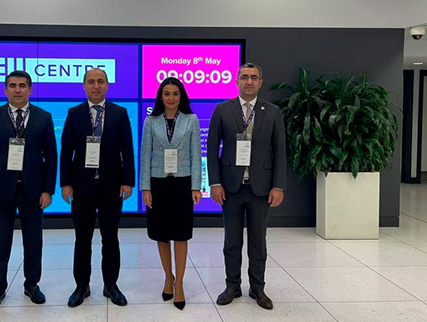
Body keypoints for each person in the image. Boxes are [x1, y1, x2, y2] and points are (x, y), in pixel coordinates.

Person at [207, 62, 286, 310]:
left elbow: (280, 152)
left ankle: (257, 287)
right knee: (231, 241)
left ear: (261, 82)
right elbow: (212, 150)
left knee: (258, 241)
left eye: (253, 77)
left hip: (261, 189)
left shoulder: (272, 112)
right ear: (236, 81)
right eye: (244, 77)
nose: (248, 81)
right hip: (230, 187)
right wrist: (215, 183)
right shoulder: (222, 109)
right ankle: (232, 285)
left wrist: (278, 186)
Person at [0, 70, 57, 309]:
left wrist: (48, 190)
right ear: (5, 90)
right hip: (1, 192)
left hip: (33, 191)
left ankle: (32, 284)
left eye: (22, 85)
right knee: (0, 241)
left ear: (30, 89)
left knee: (33, 241)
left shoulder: (43, 117)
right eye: (12, 85)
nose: (18, 90)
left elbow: (51, 156)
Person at [60, 68, 135, 307]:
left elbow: (127, 149)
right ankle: (82, 286)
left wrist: (128, 180)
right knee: (82, 239)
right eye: (91, 82)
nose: (96, 86)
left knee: (110, 238)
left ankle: (110, 285)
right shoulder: (74, 113)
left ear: (107, 85)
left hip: (111, 186)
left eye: (100, 81)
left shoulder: (120, 113)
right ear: (84, 86)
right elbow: (66, 151)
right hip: (81, 187)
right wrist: (65, 183)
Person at [140, 77, 202, 310]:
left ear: (181, 96)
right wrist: (145, 188)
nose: (171, 98)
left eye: (175, 93)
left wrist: (196, 186)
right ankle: (168, 277)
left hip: (182, 183)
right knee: (161, 234)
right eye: (166, 93)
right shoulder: (151, 121)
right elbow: (145, 156)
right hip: (158, 184)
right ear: (160, 97)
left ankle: (180, 284)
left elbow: (196, 155)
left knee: (181, 235)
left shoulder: (191, 119)